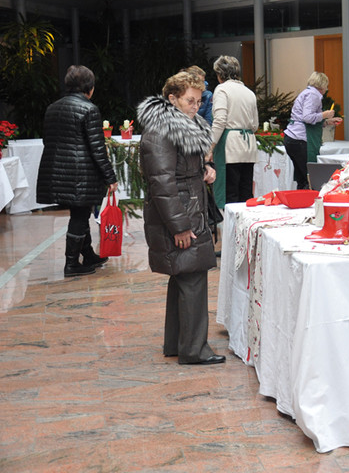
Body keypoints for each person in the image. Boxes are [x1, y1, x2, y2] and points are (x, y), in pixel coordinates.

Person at [137, 70, 224, 365]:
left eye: (199, 101)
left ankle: (178, 343)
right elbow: (161, 183)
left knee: (184, 275)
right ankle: (194, 350)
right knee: (192, 278)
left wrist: (206, 170)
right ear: (172, 98)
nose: (195, 107)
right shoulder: (162, 130)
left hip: (188, 208)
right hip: (181, 214)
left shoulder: (182, 125)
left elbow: (185, 169)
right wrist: (180, 226)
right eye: (190, 101)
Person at [37, 65, 119, 277]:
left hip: (58, 171)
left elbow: (48, 141)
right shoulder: (89, 109)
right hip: (81, 174)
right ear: (90, 88)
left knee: (80, 212)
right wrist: (110, 177)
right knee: (80, 215)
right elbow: (97, 148)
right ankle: (71, 263)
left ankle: (88, 254)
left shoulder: (52, 108)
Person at [209, 56, 258, 207]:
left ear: (219, 74)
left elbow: (220, 121)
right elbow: (255, 125)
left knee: (229, 193)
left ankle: (228, 222)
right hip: (248, 146)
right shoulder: (249, 92)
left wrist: (210, 147)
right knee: (245, 191)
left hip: (230, 145)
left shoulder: (222, 90)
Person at [283, 71, 339, 190]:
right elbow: (307, 118)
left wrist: (327, 122)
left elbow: (304, 118)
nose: (327, 89)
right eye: (326, 85)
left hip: (291, 137)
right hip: (300, 140)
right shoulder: (314, 95)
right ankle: (307, 199)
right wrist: (325, 114)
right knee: (309, 178)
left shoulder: (306, 93)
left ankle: (300, 199)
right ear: (322, 85)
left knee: (301, 178)